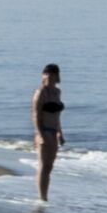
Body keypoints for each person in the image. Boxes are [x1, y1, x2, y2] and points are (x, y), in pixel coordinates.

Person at [34, 63, 66, 201]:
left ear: (57, 76)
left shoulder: (57, 92)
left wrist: (60, 133)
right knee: (43, 165)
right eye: (46, 74)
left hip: (53, 131)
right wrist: (40, 134)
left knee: (49, 167)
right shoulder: (41, 92)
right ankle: (41, 198)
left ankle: (45, 197)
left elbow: (57, 116)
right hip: (44, 130)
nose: (49, 77)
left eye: (52, 74)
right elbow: (35, 114)